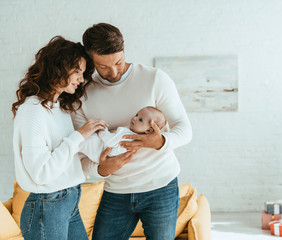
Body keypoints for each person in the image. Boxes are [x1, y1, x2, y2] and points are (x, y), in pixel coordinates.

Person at [71, 23, 192, 240]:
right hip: (116, 191)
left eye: (118, 62)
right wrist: (102, 169)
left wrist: (159, 141)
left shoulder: (155, 79)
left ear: (124, 50)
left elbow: (184, 129)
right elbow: (79, 155)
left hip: (161, 186)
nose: (114, 72)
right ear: (90, 61)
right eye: (103, 66)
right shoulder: (82, 95)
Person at [11, 36, 134, 239]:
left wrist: (102, 165)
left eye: (83, 73)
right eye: (77, 71)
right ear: (57, 67)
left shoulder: (59, 107)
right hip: (47, 206)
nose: (81, 78)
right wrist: (78, 135)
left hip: (68, 200)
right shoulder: (32, 111)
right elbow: (41, 173)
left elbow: (69, 161)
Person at [79, 106, 167, 161]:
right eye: (137, 115)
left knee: (86, 140)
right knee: (84, 141)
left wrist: (102, 130)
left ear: (148, 130)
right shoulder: (131, 133)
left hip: (100, 152)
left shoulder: (130, 137)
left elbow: (110, 142)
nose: (135, 118)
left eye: (140, 120)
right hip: (100, 150)